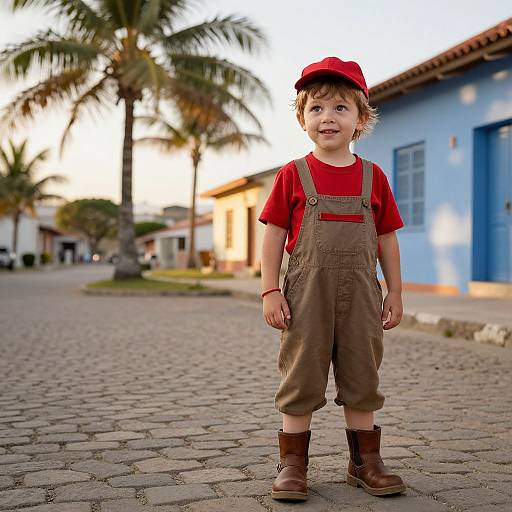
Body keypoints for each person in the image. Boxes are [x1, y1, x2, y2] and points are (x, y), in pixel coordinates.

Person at [259, 56, 406, 501]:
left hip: (362, 293)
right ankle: (293, 466)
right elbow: (273, 236)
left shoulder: (372, 177)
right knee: (302, 375)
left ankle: (365, 463)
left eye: (341, 109)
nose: (328, 118)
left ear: (361, 119)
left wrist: (395, 290)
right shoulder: (293, 174)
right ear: (302, 118)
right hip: (306, 294)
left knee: (363, 373)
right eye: (317, 108)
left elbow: (386, 238)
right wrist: (269, 290)